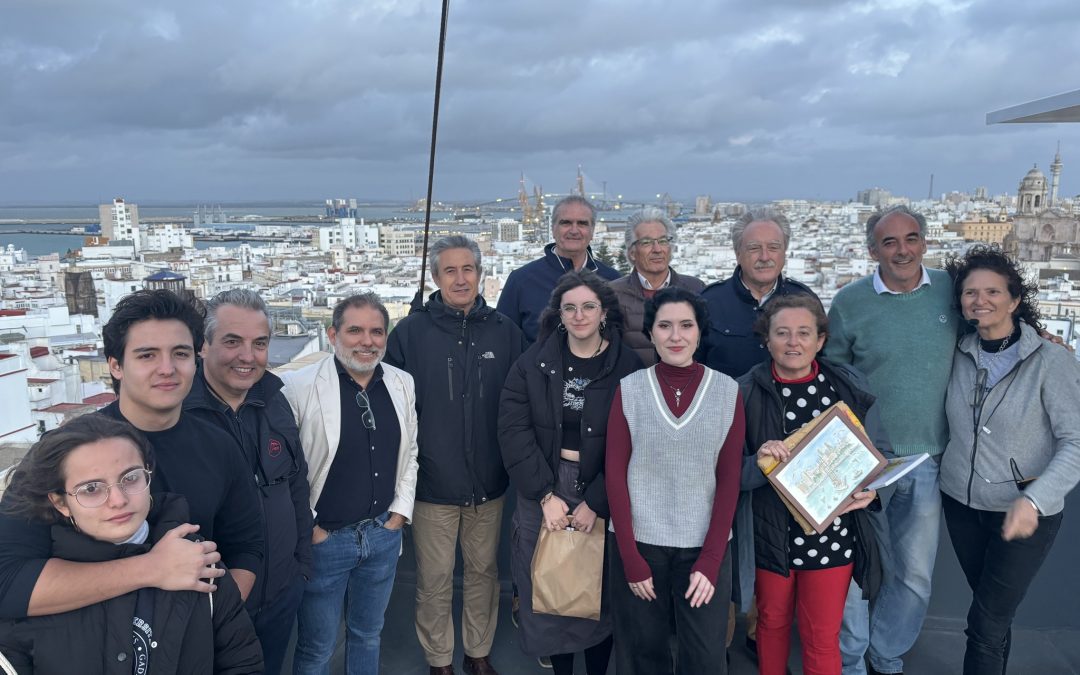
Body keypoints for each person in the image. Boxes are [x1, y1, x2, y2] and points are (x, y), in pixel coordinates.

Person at [0, 289, 262, 622]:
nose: (167, 368)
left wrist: (212, 623)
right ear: (116, 366)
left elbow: (246, 547)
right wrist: (150, 569)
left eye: (180, 353)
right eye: (147, 355)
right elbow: (7, 582)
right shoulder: (61, 451)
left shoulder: (220, 445)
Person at [0, 414, 263, 673]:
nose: (118, 499)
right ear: (60, 502)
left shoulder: (198, 560)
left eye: (130, 478)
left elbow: (241, 662)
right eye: (91, 488)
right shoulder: (35, 591)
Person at [824, 205, 958, 675]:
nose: (902, 250)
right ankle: (852, 660)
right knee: (855, 568)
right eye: (889, 242)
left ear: (925, 242)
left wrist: (1042, 334)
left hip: (926, 457)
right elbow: (832, 378)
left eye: (911, 238)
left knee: (915, 575)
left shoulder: (950, 290)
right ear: (871, 250)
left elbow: (996, 319)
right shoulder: (849, 302)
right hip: (866, 459)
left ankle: (885, 652)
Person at [385, 235, 525, 675]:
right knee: (434, 578)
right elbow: (392, 406)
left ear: (481, 274)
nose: (460, 278)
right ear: (435, 277)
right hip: (432, 482)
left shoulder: (505, 332)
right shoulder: (411, 332)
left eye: (468, 269)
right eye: (450, 270)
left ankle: (477, 652)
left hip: (489, 481)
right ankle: (439, 659)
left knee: (484, 573)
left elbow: (521, 403)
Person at [939, 246, 1080, 674]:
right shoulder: (956, 352)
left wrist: (1034, 500)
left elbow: (1075, 441)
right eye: (969, 293)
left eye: (992, 292)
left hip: (1023, 511)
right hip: (961, 505)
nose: (979, 300)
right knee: (993, 617)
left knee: (984, 622)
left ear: (1015, 300)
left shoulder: (1051, 361)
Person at [498, 270, 641, 675]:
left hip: (605, 483)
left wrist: (598, 500)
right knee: (548, 585)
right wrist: (545, 495)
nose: (579, 316)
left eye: (588, 307)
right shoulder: (534, 362)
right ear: (559, 314)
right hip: (544, 482)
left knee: (599, 590)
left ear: (603, 313)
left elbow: (636, 438)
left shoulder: (627, 366)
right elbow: (513, 428)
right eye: (570, 308)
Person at [739, 294, 887, 675]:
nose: (793, 342)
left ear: (821, 340)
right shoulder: (744, 393)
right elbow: (730, 474)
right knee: (770, 625)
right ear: (766, 340)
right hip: (771, 533)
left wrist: (871, 492)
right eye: (782, 333)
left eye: (804, 333)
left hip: (834, 533)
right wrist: (759, 463)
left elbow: (876, 454)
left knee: (822, 635)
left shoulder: (848, 386)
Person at [605, 286, 744, 675]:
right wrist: (630, 558)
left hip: (704, 544)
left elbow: (729, 478)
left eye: (686, 325)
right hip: (640, 542)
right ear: (650, 333)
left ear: (700, 332)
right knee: (641, 654)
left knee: (704, 657)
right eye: (665, 326)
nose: (676, 336)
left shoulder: (727, 392)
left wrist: (712, 558)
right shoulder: (630, 390)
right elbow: (616, 473)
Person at [281, 292, 419, 675]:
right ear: (332, 334)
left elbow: (410, 453)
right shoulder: (298, 386)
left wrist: (399, 514)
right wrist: (312, 529)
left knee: (368, 634)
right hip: (326, 541)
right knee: (316, 648)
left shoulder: (401, 382)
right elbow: (288, 470)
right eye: (355, 330)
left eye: (377, 331)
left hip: (382, 534)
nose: (367, 341)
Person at [699, 207, 814, 658]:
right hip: (725, 443)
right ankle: (722, 638)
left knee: (776, 546)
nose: (764, 256)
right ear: (737, 253)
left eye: (773, 247)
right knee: (723, 540)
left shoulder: (806, 301)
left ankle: (760, 636)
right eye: (754, 248)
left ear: (785, 252)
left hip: (788, 447)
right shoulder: (711, 302)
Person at [184, 288, 313, 675]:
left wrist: (300, 569)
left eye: (259, 344)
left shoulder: (275, 400)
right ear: (203, 346)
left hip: (280, 595)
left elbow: (296, 486)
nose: (247, 356)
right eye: (232, 341)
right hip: (211, 611)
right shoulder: (179, 418)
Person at [497, 196, 620, 344]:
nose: (574, 230)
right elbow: (502, 342)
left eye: (582, 223)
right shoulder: (521, 280)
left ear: (592, 231)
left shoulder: (613, 280)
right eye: (566, 223)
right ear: (553, 229)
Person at [610, 207, 704, 365]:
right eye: (647, 242)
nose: (657, 249)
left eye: (663, 241)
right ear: (632, 252)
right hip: (631, 386)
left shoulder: (695, 289)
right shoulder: (613, 294)